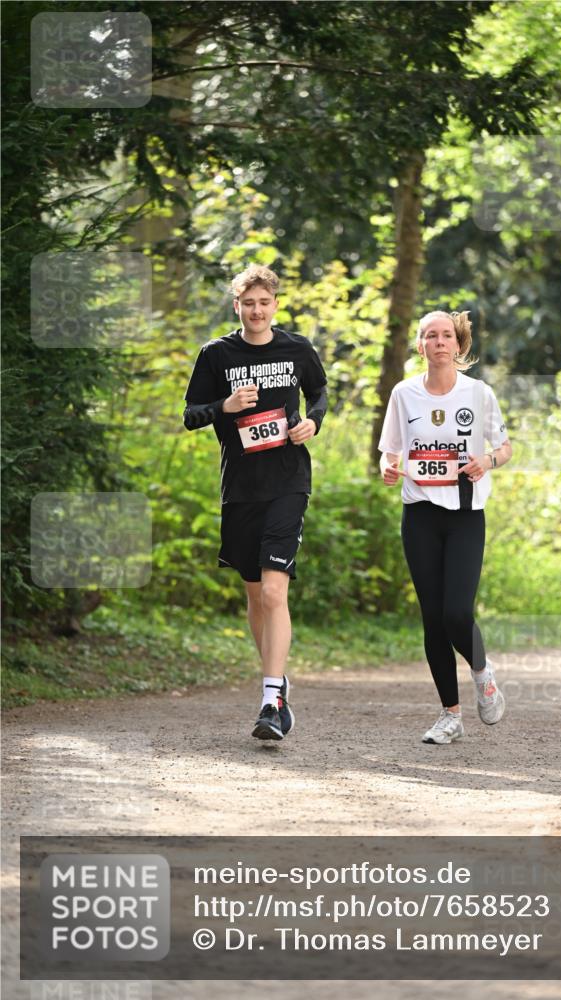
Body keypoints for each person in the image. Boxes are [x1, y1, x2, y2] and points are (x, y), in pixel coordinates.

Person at [183, 264, 327, 742]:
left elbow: (320, 393)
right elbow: (190, 415)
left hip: (289, 482)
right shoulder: (216, 354)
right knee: (253, 596)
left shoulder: (297, 349)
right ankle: (278, 677)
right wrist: (224, 407)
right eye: (249, 303)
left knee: (273, 592)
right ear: (237, 307)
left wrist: (312, 422)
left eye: (265, 302)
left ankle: (270, 700)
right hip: (241, 489)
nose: (257, 310)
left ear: (275, 306)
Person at [379, 310, 511, 745]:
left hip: (465, 513)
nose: (438, 342)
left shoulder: (479, 393)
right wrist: (389, 468)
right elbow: (390, 451)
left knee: (457, 611)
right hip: (419, 514)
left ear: (459, 345)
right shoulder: (403, 394)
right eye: (429, 336)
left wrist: (486, 460)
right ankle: (449, 715)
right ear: (420, 345)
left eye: (446, 335)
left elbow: (505, 447)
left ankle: (482, 672)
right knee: (433, 620)